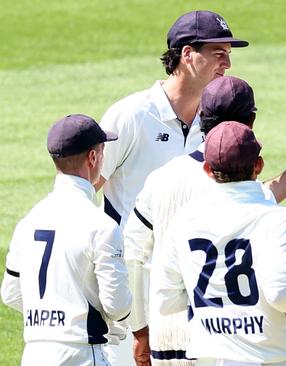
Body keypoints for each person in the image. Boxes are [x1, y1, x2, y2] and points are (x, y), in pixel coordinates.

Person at [96, 10, 248, 365]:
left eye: (229, 53)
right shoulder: (131, 115)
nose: (227, 63)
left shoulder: (216, 124)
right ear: (187, 54)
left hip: (195, 281)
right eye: (218, 53)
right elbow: (89, 187)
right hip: (134, 280)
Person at [123, 75, 272, 365]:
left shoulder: (161, 178)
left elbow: (132, 255)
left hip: (169, 338)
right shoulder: (252, 190)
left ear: (202, 116)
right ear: (251, 121)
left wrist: (140, 329)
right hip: (233, 343)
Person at [150, 122, 286, 365]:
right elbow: (280, 294)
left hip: (209, 355)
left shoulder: (183, 220)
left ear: (208, 169)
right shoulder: (280, 219)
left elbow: (165, 301)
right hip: (266, 355)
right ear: (259, 165)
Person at [1, 114, 132, 365]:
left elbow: (10, 293)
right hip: (81, 355)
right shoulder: (102, 226)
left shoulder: (28, 221)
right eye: (102, 152)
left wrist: (52, 318)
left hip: (35, 353)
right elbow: (117, 305)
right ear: (93, 158)